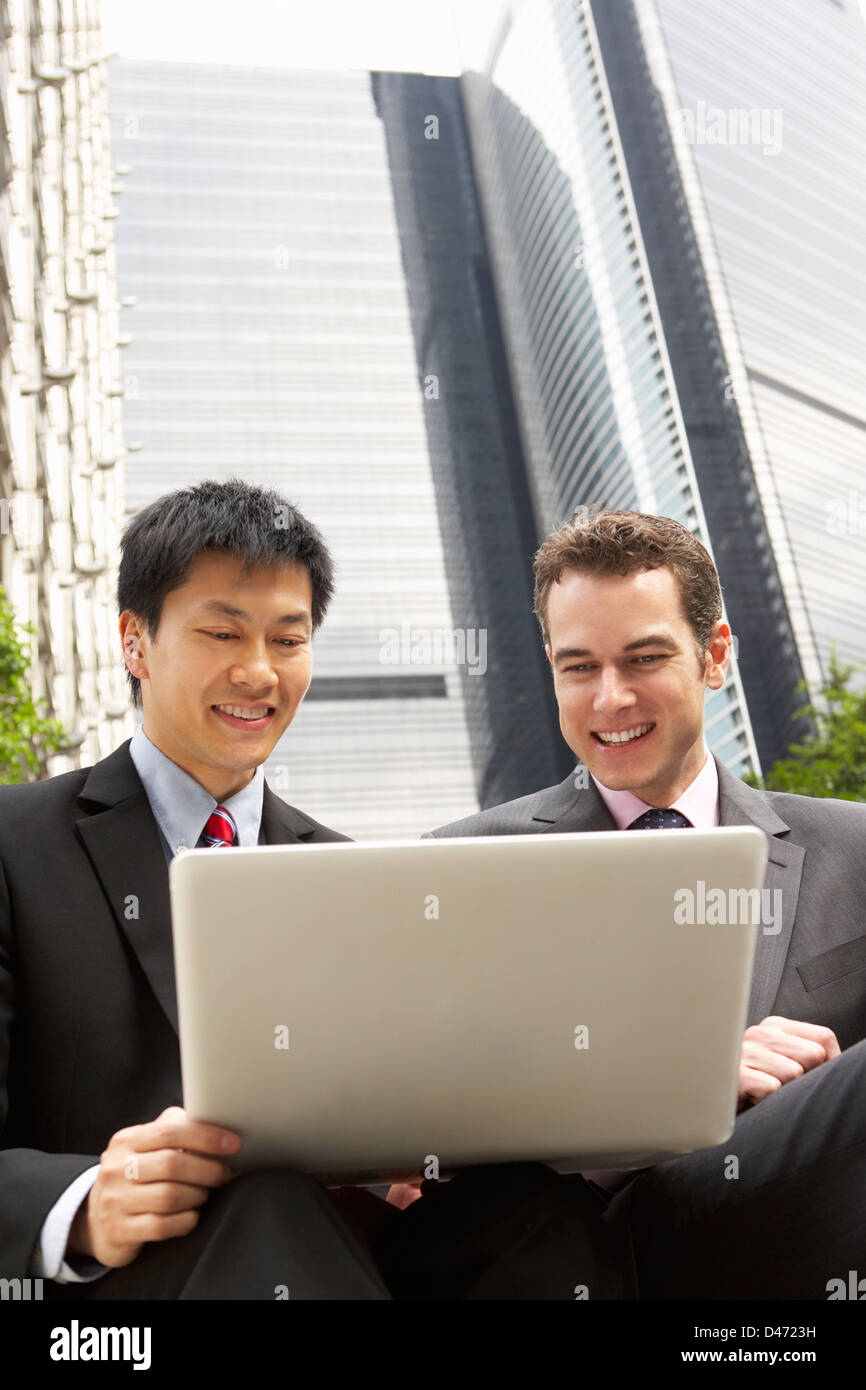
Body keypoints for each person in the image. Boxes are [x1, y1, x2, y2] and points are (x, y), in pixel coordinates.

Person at [0, 478, 623, 1300]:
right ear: (135, 642)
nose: (258, 672)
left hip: (332, 1252)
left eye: (288, 641)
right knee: (266, 1204)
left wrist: (405, 1158)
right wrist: (83, 1206)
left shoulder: (352, 876)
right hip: (124, 1288)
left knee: (538, 1215)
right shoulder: (17, 844)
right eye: (222, 632)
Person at [424, 509, 866, 1298]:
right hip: (576, 1256)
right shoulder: (458, 865)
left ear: (715, 655)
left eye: (644, 657)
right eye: (578, 667)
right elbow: (423, 1131)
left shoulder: (855, 850)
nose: (610, 698)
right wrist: (680, 1078)